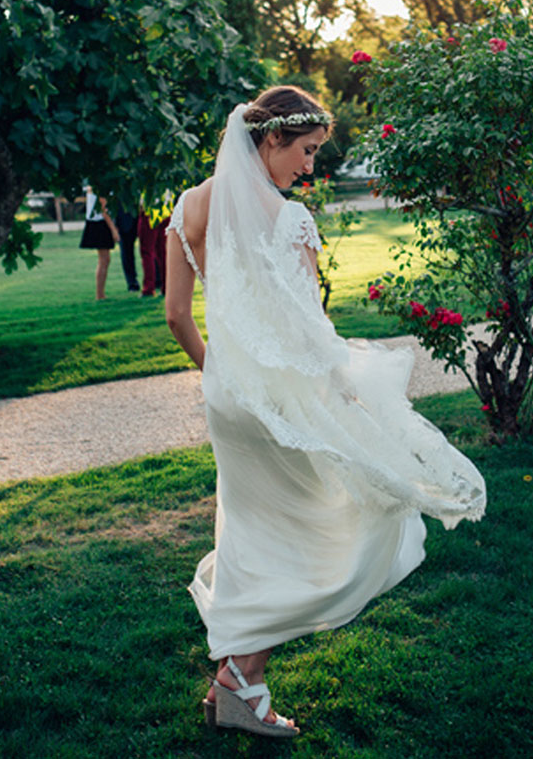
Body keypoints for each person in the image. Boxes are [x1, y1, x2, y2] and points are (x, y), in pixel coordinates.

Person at [165, 87, 486, 739]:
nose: (309, 167)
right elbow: (310, 331)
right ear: (270, 139)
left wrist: (221, 376)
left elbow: (175, 315)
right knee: (331, 525)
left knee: (253, 532)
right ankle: (241, 680)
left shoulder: (190, 205)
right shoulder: (288, 220)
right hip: (282, 402)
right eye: (306, 151)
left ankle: (234, 683)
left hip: (228, 401)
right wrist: (348, 395)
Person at [78, 189, 120, 300]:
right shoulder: (99, 186)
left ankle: (101, 293)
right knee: (104, 260)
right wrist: (113, 230)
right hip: (99, 224)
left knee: (105, 260)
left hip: (98, 223)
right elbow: (103, 209)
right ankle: (100, 294)